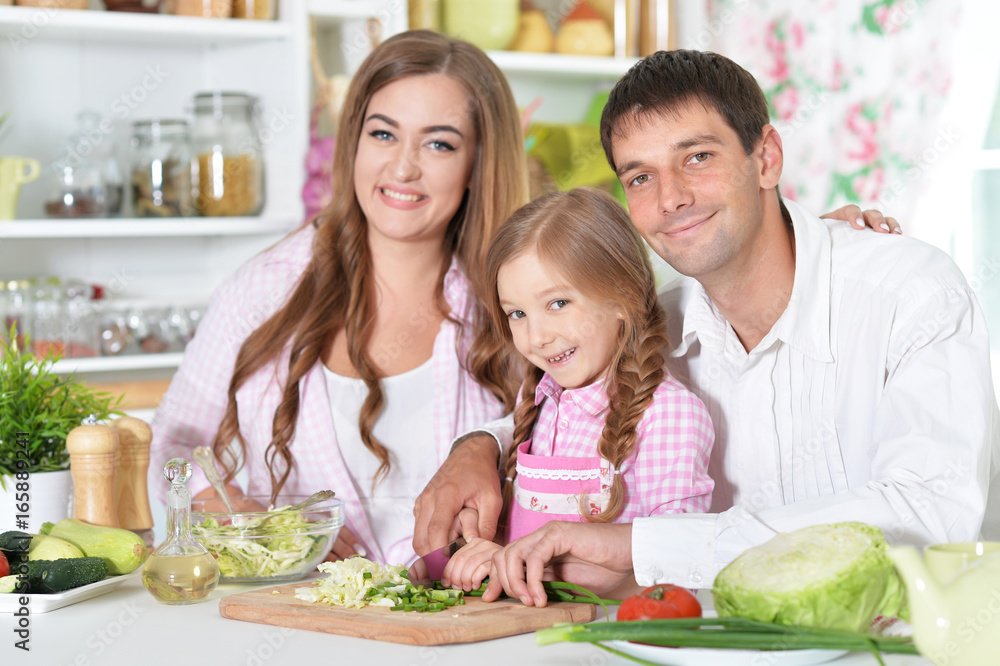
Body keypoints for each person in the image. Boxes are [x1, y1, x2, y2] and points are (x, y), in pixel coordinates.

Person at [414, 48, 1000, 607]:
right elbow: (576, 408)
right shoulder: (652, 321)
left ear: (766, 157)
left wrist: (640, 547)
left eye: (697, 157)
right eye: (640, 177)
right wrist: (480, 448)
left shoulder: (909, 292)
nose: (671, 197)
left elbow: (929, 513)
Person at [150, 30, 527, 566]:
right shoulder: (265, 288)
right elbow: (172, 441)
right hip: (294, 623)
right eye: (383, 134)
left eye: (439, 143)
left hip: (462, 626)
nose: (403, 167)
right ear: (353, 141)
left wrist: (486, 444)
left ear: (477, 165)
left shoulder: (515, 297)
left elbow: (579, 432)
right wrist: (237, 512)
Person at [440, 188, 714, 592]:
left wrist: (526, 565)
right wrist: (474, 549)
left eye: (558, 303)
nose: (536, 337)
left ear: (623, 297)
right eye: (517, 313)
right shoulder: (539, 401)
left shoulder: (667, 415)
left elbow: (679, 559)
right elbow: (518, 541)